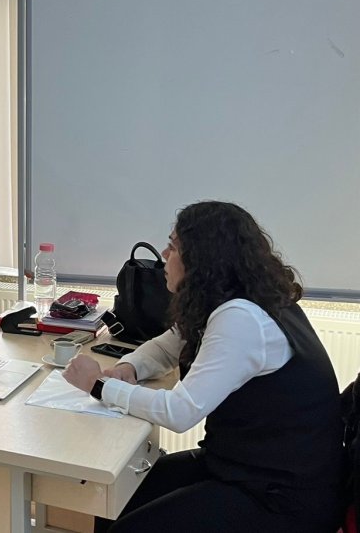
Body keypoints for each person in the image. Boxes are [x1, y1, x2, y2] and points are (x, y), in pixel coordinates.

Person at [62, 201, 344, 533]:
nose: (165, 254)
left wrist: (99, 386)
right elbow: (169, 344)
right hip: (242, 467)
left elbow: (180, 412)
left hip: (281, 496)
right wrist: (129, 368)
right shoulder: (236, 299)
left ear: (202, 259)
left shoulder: (241, 318)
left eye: (174, 246)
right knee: (114, 497)